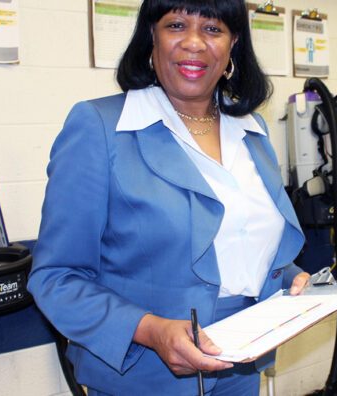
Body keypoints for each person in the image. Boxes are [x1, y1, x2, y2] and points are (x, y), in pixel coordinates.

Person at [27, 0, 309, 395]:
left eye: (213, 29)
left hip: (241, 365)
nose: (194, 43)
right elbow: (56, 278)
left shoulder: (251, 129)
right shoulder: (101, 127)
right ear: (151, 38)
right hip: (146, 372)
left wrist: (292, 279)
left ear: (233, 45)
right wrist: (150, 330)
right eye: (176, 25)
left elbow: (241, 239)